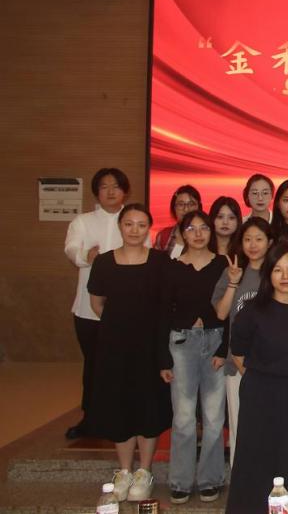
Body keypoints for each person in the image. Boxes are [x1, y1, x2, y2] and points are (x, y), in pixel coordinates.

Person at [224, 242, 288, 514]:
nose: (285, 276)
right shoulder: (252, 310)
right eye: (278, 270)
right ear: (268, 274)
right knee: (258, 451)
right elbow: (238, 351)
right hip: (260, 391)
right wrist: (259, 378)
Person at [87, 204, 172, 502]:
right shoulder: (104, 262)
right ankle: (124, 471)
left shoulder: (160, 262)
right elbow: (97, 303)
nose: (134, 230)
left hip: (150, 347)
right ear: (120, 226)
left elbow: (165, 307)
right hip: (114, 347)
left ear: (148, 228)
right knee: (119, 405)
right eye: (129, 224)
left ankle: (144, 471)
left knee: (148, 406)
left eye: (141, 224)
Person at [161, 210, 228, 504]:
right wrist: (163, 358)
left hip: (215, 342)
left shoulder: (223, 264)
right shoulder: (172, 267)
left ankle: (210, 479)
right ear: (181, 233)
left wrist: (224, 349)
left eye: (204, 228)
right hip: (181, 343)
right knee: (184, 417)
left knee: (214, 417)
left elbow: (229, 310)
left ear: (211, 232)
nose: (198, 234)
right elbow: (163, 313)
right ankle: (180, 481)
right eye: (191, 228)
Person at [63, 167, 130, 440]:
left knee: (123, 365)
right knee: (93, 365)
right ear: (96, 192)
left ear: (125, 191)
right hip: (87, 309)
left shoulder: (133, 219)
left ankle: (122, 416)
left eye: (116, 186)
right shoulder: (83, 221)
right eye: (104, 186)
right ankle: (90, 417)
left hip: (126, 310)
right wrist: (85, 255)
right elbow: (70, 249)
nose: (111, 191)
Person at [211, 217, 272, 465]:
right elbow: (221, 313)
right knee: (239, 424)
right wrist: (233, 283)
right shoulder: (232, 272)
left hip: (269, 363)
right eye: (247, 239)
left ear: (270, 242)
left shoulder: (276, 274)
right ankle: (240, 478)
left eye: (259, 239)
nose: (253, 245)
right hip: (236, 362)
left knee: (268, 424)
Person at [154, 185, 202, 254]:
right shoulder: (163, 236)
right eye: (181, 204)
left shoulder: (207, 235)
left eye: (191, 204)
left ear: (199, 207)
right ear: (174, 208)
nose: (186, 209)